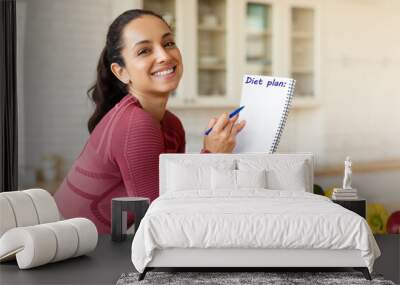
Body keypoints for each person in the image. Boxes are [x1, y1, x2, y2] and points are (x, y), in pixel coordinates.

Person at [53, 9, 246, 233]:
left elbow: (173, 194)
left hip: (96, 243)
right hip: (67, 244)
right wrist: (212, 157)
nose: (164, 56)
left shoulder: (172, 124)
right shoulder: (135, 124)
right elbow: (162, 218)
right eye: (144, 51)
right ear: (121, 72)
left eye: (169, 43)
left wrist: (212, 156)